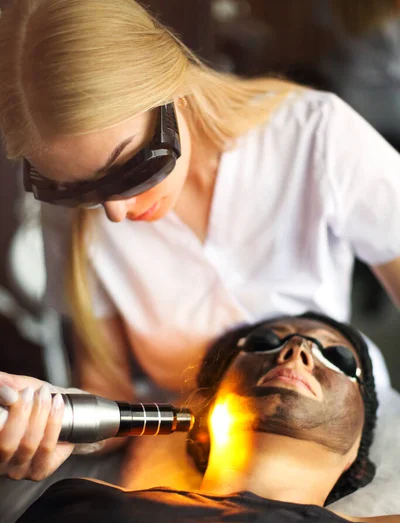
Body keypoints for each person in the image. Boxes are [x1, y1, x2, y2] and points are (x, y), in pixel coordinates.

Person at [0, 0, 399, 486]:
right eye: (78, 191)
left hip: (341, 441)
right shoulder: (71, 222)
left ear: (173, 93)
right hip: (190, 461)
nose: (116, 213)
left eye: (132, 166)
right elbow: (107, 392)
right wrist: (57, 425)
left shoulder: (315, 137)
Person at [0, 313, 399, 523]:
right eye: (265, 343)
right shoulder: (84, 502)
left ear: (358, 451)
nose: (297, 349)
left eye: (339, 359)